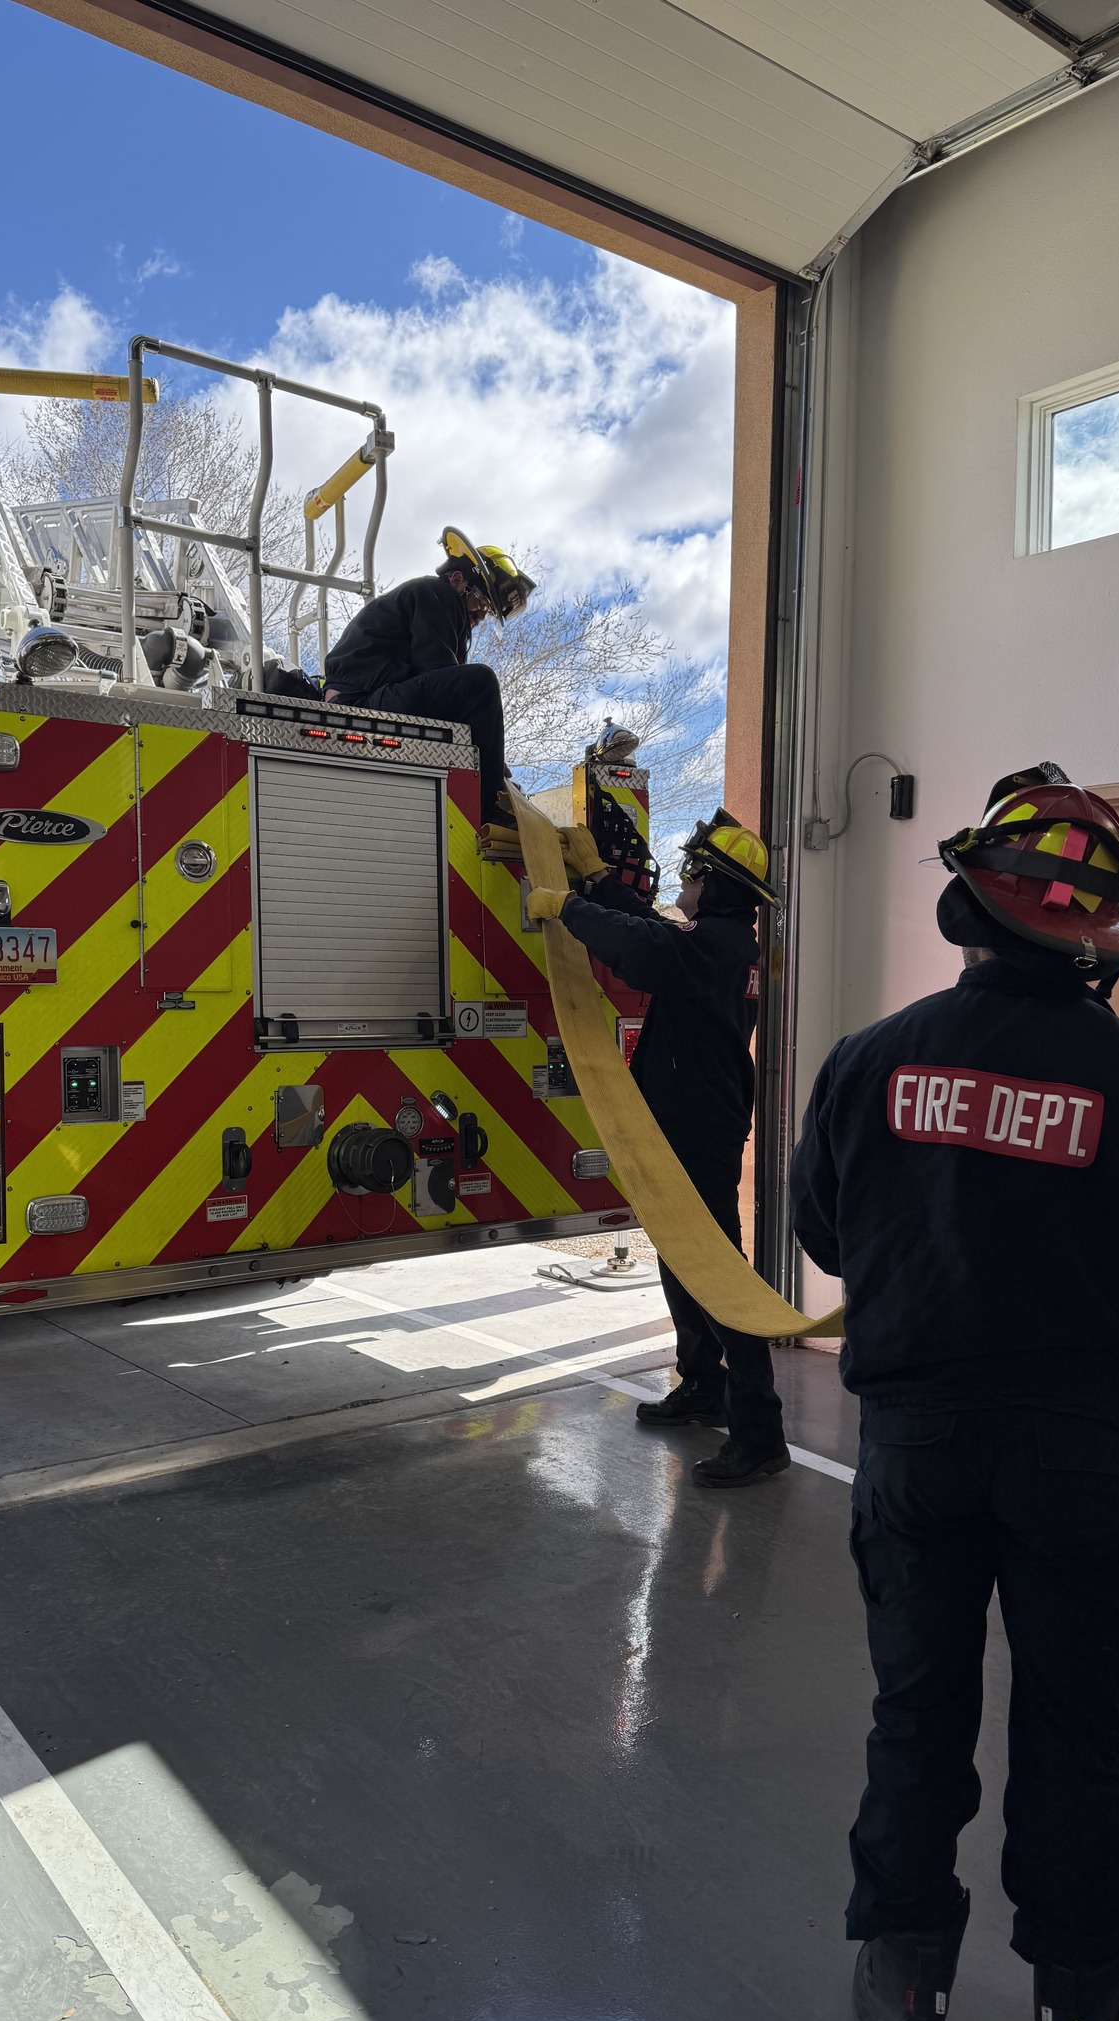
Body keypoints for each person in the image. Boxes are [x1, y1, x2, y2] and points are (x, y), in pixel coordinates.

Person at [787, 763, 1119, 2021]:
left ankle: (904, 1975)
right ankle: (1081, 1998)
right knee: (1075, 1737)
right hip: (1083, 1473)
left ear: (973, 911)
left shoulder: (866, 1061)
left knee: (916, 1714)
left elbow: (824, 1236)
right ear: (1094, 937)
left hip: (911, 1457)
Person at [525, 808, 789, 1488]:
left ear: (718, 886)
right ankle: (704, 1383)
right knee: (681, 1253)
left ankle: (759, 1433)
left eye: (694, 873)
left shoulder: (719, 947)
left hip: (700, 1121)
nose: (683, 881)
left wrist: (568, 906)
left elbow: (640, 949)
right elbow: (652, 931)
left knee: (718, 1269)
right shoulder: (722, 940)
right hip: (696, 1114)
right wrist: (594, 876)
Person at [322, 527, 534, 823]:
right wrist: (494, 776)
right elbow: (440, 675)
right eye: (481, 603)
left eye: (487, 610)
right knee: (480, 682)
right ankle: (490, 806)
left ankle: (491, 787)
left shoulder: (433, 606)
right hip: (362, 701)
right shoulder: (436, 593)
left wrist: (495, 761)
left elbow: (441, 692)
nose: (481, 615)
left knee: (471, 692)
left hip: (365, 696)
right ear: (459, 579)